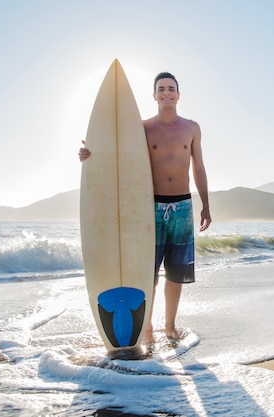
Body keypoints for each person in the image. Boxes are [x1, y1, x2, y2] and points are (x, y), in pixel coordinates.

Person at [79, 71, 211, 344]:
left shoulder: (192, 128)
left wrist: (205, 205)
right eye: (161, 89)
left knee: (176, 272)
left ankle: (170, 325)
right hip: (149, 207)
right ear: (154, 95)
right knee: (146, 271)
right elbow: (117, 154)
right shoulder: (142, 127)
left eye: (171, 88)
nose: (166, 93)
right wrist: (89, 154)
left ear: (178, 94)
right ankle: (147, 327)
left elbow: (198, 167)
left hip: (183, 205)